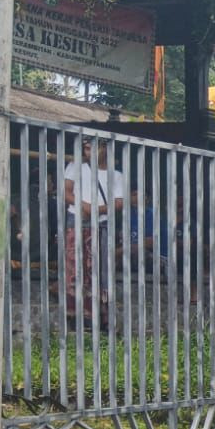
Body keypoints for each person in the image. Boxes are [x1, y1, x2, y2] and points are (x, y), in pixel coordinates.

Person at [62, 137, 127, 325]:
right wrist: (85, 206)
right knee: (75, 268)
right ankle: (75, 314)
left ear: (105, 148)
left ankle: (99, 315)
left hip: (102, 224)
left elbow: (120, 202)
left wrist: (97, 210)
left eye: (93, 148)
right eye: (86, 149)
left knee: (100, 269)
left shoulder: (116, 175)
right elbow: (66, 191)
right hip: (76, 219)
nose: (89, 152)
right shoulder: (75, 166)